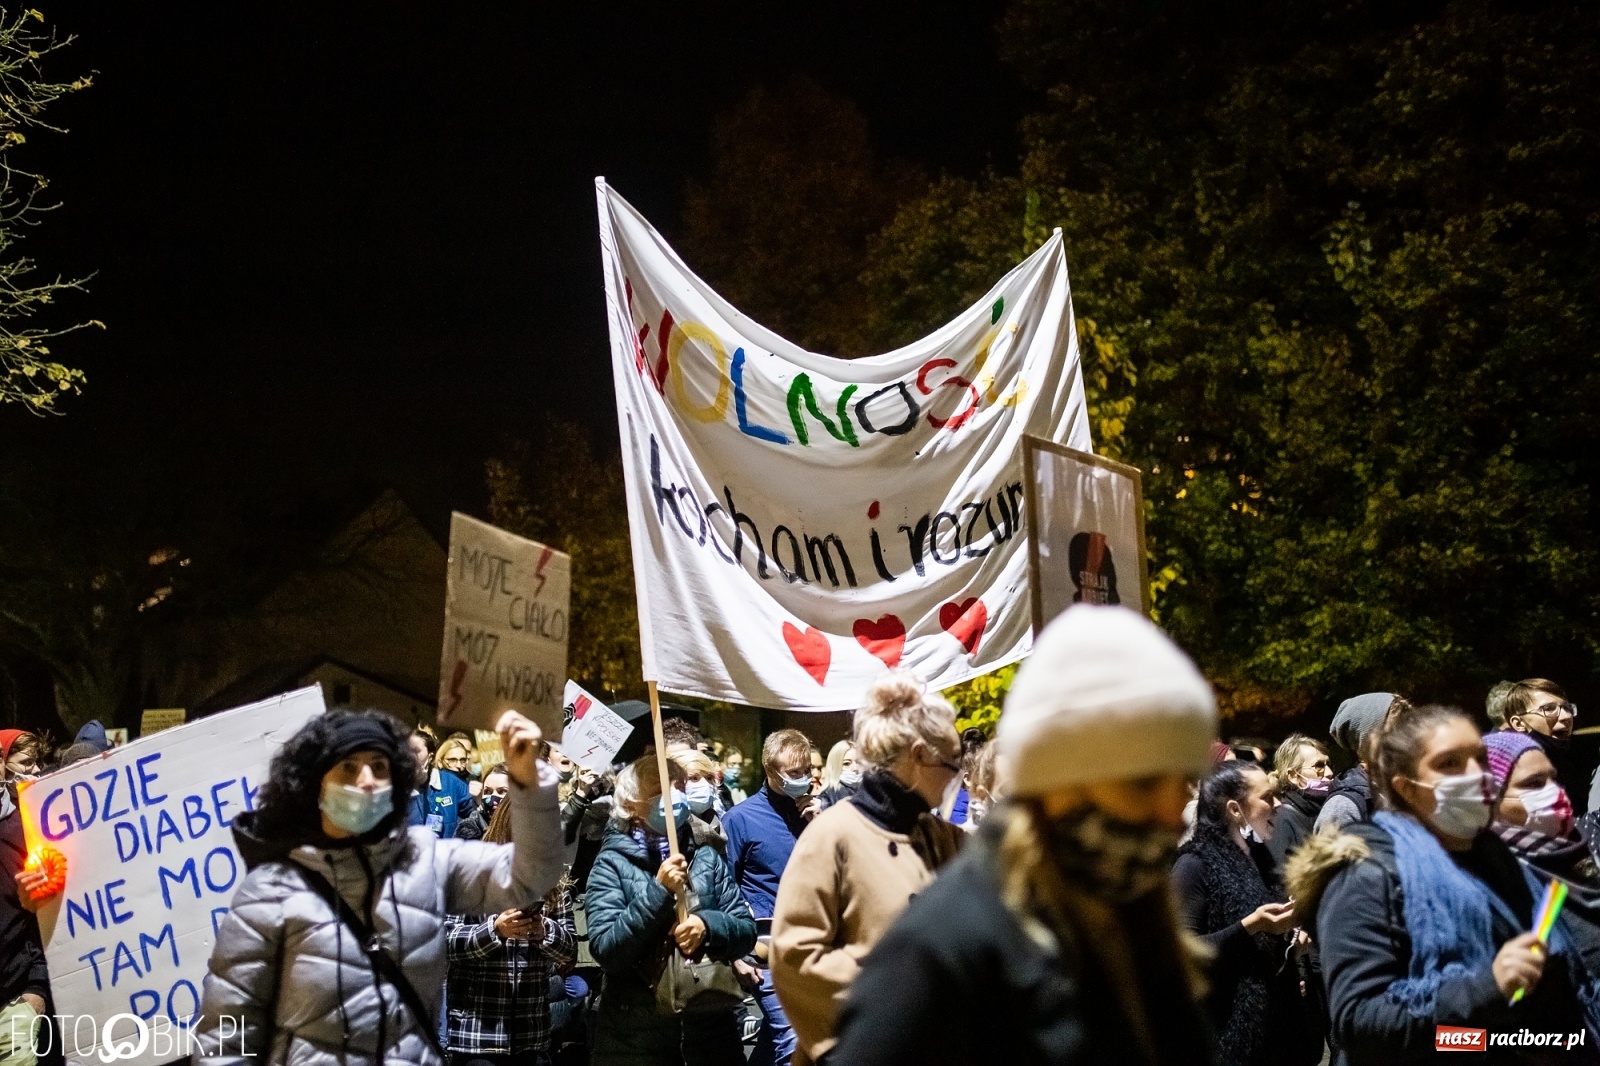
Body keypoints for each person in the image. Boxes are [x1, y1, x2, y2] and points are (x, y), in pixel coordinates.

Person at [830, 604, 1216, 1065]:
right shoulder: (939, 951)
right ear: (1057, 785)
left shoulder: (1132, 912)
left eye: (1184, 782)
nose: (1173, 814)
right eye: (1143, 784)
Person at [193, 707, 566, 1066]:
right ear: (314, 784)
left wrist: (530, 783)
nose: (367, 780)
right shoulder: (272, 888)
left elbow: (529, 875)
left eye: (380, 766)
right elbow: (226, 1029)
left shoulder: (427, 861)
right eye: (349, 767)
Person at [1286, 703, 1590, 1064]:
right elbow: (1362, 1025)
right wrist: (1485, 991)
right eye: (1449, 763)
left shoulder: (1497, 857)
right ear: (1406, 788)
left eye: (1479, 757)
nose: (1476, 774)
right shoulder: (1367, 874)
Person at [771, 673, 966, 1065]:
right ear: (919, 757)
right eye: (952, 764)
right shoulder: (833, 834)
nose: (956, 777)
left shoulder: (942, 837)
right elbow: (794, 960)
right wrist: (898, 995)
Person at [585, 756, 756, 1066]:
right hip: (638, 1041)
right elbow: (607, 949)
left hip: (710, 1037)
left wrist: (708, 925)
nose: (674, 795)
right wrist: (659, 891)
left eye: (678, 786)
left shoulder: (706, 856)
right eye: (660, 788)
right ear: (632, 804)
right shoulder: (611, 864)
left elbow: (745, 930)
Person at [1174, 762, 1323, 1066]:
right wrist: (1249, 926)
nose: (1278, 805)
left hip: (1276, 1035)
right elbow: (1179, 956)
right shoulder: (1194, 865)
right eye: (1267, 798)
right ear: (1235, 809)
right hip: (1230, 1039)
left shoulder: (1260, 856)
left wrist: (1293, 947)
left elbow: (1265, 949)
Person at [444, 793, 578, 1066]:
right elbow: (446, 943)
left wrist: (544, 930)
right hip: (478, 1036)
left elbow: (569, 948)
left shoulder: (553, 879)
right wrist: (495, 931)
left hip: (531, 1035)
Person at [721, 730, 816, 1066]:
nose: (803, 779)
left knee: (779, 1039)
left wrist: (821, 826)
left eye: (807, 771)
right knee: (795, 1041)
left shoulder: (818, 817)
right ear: (770, 770)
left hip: (812, 945)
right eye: (794, 773)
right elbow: (723, 890)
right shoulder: (740, 819)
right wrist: (734, 954)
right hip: (765, 951)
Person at [0, 730, 49, 1066]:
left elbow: (49, 912)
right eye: (26, 762)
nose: (34, 772)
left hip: (14, 998)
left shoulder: (25, 825)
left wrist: (37, 989)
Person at [1314, 692, 1403, 834]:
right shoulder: (1344, 808)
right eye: (1397, 731)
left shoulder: (1402, 793)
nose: (1410, 740)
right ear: (1368, 742)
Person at [1502, 678, 1589, 818]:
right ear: (1519, 724)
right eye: (1548, 709)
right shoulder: (1510, 771)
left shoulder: (1575, 758)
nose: (1566, 716)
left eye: (1567, 708)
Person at [1268, 733, 1334, 867]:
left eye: (1328, 764)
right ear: (1293, 776)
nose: (1329, 772)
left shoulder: (1321, 809)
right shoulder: (1283, 820)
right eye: (1319, 766)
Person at [410, 727, 476, 837]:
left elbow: (476, 814)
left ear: (430, 757)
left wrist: (478, 799)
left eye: (416, 751)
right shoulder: (394, 787)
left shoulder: (450, 782)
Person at [673, 748, 728, 854]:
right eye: (694, 778)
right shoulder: (674, 833)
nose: (705, 784)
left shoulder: (717, 825)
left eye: (709, 778)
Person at [456, 765, 511, 841]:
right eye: (488, 792)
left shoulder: (527, 828)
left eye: (501, 791)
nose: (493, 798)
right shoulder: (471, 829)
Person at [817, 741, 862, 809]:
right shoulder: (827, 798)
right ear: (835, 766)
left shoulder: (870, 791)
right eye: (846, 764)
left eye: (858, 762)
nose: (855, 768)